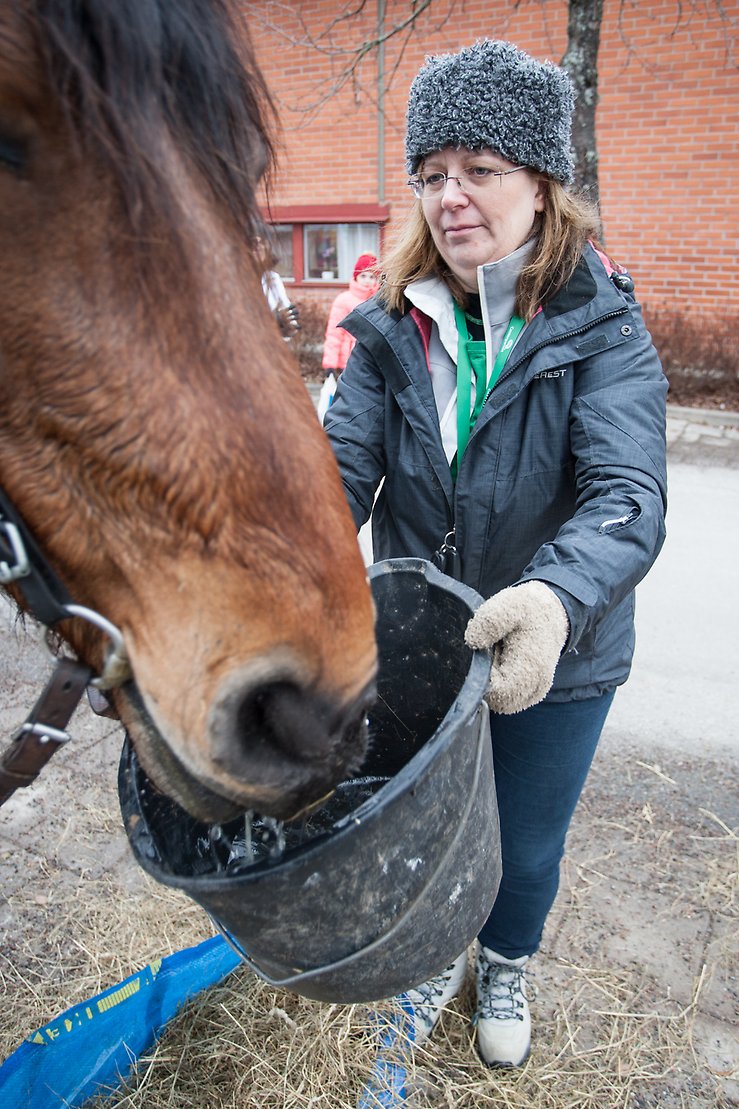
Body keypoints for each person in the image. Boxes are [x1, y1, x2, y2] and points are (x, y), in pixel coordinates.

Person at [324, 39, 667, 1067]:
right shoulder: (391, 323)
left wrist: (555, 598)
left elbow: (627, 495)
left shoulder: (600, 325)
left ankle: (505, 959)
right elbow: (335, 473)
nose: (449, 195)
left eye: (480, 168)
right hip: (420, 639)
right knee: (415, 822)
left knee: (522, 843)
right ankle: (426, 952)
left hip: (556, 652)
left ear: (542, 182)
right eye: (431, 173)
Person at [321, 253, 379, 376]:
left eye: (371, 276)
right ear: (356, 277)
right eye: (363, 275)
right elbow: (334, 334)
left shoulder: (380, 302)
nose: (367, 280)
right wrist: (330, 364)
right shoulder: (344, 300)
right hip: (349, 362)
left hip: (374, 364)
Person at [256, 235, 300, 340]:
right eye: (254, 243)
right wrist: (271, 319)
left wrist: (285, 326)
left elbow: (290, 322)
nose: (259, 247)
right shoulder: (233, 279)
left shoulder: (273, 278)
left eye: (262, 243)